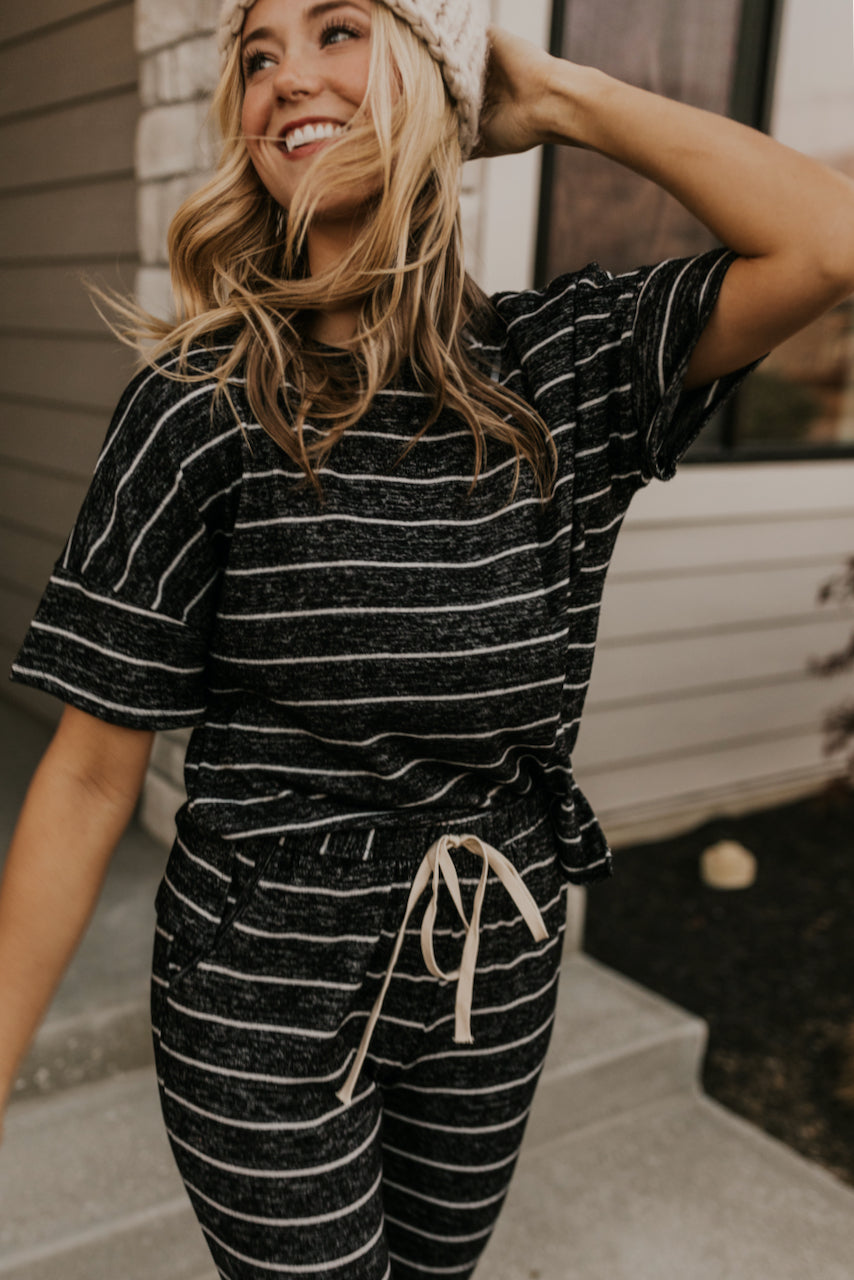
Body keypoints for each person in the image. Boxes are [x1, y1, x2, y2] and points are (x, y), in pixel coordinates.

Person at [2, 0, 854, 1275]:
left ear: (427, 64)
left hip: (489, 953)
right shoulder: (197, 407)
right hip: (261, 976)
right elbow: (84, 774)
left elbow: (828, 241)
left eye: (338, 28)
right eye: (256, 54)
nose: (286, 75)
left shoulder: (559, 371)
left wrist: (555, 96)